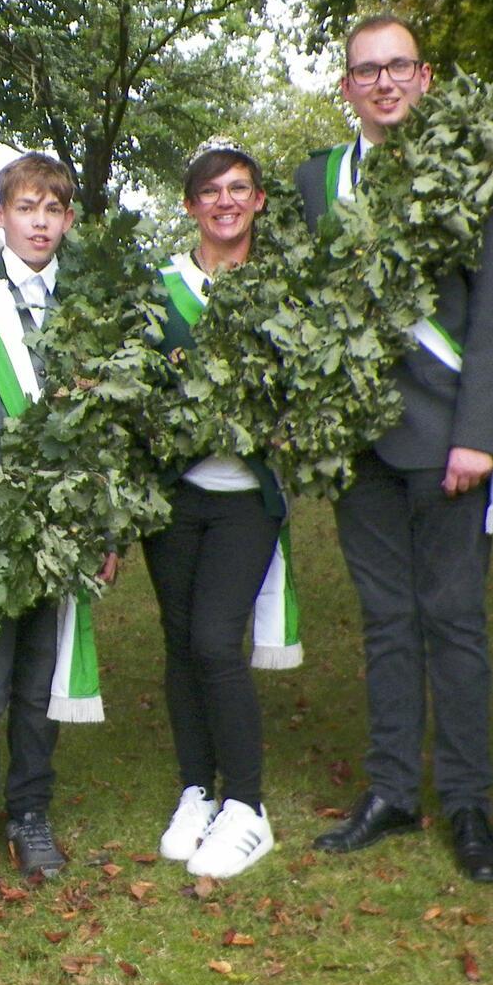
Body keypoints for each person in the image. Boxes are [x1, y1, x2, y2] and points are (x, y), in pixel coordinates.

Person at [294, 16, 493, 882]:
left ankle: (467, 802)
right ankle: (392, 791)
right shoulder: (320, 181)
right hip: (359, 445)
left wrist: (480, 436)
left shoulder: (477, 171)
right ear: (346, 85)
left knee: (455, 625)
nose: (383, 83)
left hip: (447, 442)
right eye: (365, 70)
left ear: (424, 78)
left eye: (398, 67)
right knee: (387, 625)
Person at [0, 152, 116, 899]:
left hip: (63, 528)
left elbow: (105, 422)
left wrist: (102, 527)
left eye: (53, 209)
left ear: (69, 220)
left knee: (41, 684)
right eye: (26, 207)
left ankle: (30, 813)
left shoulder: (88, 306)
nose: (40, 222)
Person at [144, 141, 289, 881]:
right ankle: (197, 789)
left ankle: (250, 805)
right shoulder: (160, 288)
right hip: (172, 493)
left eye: (240, 188)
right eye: (210, 190)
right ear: (190, 204)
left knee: (212, 641)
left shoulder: (285, 288)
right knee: (178, 640)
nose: (225, 201)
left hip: (245, 499)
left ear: (259, 200)